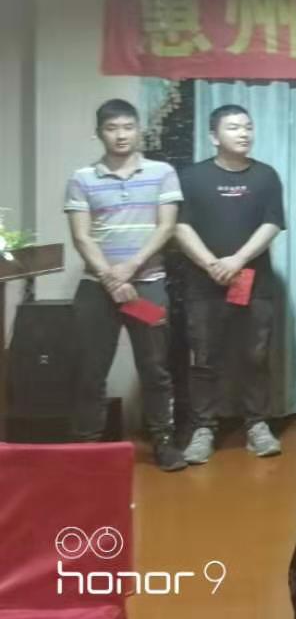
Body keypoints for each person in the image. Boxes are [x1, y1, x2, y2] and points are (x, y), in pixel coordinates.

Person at [64, 99, 186, 471]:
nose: (121, 135)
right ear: (99, 133)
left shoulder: (162, 173)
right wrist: (110, 278)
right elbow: (82, 237)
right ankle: (86, 448)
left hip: (146, 287)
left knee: (154, 368)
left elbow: (166, 227)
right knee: (90, 370)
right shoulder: (82, 178)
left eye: (128, 127)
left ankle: (163, 441)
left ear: (138, 130)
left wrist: (130, 268)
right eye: (112, 128)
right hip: (97, 290)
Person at [175, 104, 286, 463]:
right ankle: (203, 427)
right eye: (234, 127)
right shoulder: (192, 177)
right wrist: (211, 263)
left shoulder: (265, 176)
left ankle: (257, 424)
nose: (244, 133)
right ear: (214, 136)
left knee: (255, 355)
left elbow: (272, 223)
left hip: (253, 281)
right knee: (204, 357)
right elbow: (179, 225)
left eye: (248, 127)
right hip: (203, 283)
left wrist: (237, 260)